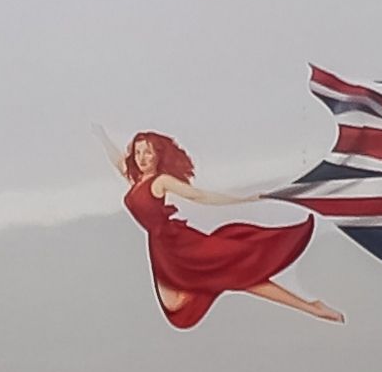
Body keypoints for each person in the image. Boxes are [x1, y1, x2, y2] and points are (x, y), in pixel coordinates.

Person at [113, 132, 342, 327]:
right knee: (180, 306)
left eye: (148, 152)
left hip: (179, 244)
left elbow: (199, 196)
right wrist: (95, 131)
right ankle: (310, 307)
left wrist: (243, 199)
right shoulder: (136, 180)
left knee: (237, 274)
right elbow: (116, 158)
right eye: (138, 152)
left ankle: (311, 307)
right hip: (163, 251)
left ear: (158, 156)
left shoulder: (160, 181)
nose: (142, 158)